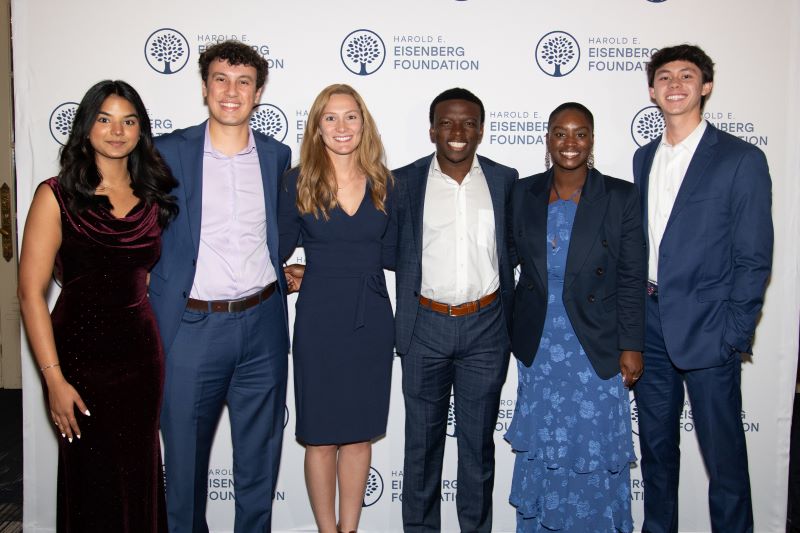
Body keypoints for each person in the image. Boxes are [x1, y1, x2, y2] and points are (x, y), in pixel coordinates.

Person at [18, 79, 178, 532]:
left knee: (138, 474)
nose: (116, 131)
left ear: (141, 131)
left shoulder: (154, 196)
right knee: (90, 480)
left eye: (128, 121)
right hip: (78, 361)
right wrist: (53, 379)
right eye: (105, 119)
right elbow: (30, 294)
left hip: (141, 358)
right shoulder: (56, 195)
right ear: (86, 126)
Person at [148, 40, 292, 533]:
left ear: (258, 92)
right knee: (183, 469)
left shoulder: (276, 155)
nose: (231, 92)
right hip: (192, 328)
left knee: (259, 465)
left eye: (243, 82)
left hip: (263, 325)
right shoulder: (167, 152)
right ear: (205, 87)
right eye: (221, 80)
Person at [633, 44, 773, 533]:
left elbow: (754, 257)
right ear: (652, 91)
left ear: (706, 86)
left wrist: (734, 333)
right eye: (664, 77)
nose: (675, 84)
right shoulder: (643, 157)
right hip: (650, 326)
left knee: (724, 461)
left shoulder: (740, 159)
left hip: (711, 329)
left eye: (687, 75)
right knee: (656, 454)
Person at [506, 102, 645, 532]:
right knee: (545, 446)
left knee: (593, 446)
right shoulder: (522, 193)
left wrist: (632, 344)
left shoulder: (620, 196)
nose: (570, 142)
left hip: (596, 345)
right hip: (540, 345)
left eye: (580, 133)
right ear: (547, 138)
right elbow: (505, 261)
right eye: (560, 133)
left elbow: (631, 276)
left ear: (592, 140)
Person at [392, 87, 517, 532]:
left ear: (481, 130)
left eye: (468, 123)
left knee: (477, 449)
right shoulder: (403, 182)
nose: (457, 131)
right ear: (432, 130)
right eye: (446, 122)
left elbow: (514, 248)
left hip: (487, 329)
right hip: (424, 327)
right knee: (421, 450)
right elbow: (384, 249)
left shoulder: (505, 180)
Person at [279, 83, 395, 533]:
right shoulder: (296, 181)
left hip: (371, 319)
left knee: (359, 436)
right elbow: (272, 250)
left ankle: (350, 529)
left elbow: (398, 252)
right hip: (319, 319)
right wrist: (291, 274)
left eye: (350, 116)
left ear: (364, 124)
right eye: (330, 117)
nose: (341, 126)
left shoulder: (386, 183)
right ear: (317, 127)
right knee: (321, 437)